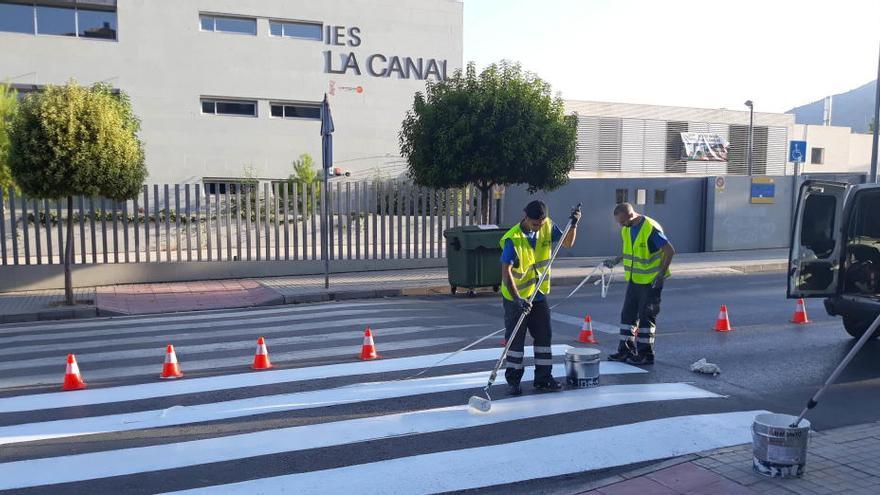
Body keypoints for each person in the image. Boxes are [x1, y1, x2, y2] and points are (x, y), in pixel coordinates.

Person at [499, 200, 580, 395]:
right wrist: (518, 299)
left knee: (544, 337)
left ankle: (543, 379)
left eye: (541, 223)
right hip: (516, 297)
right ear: (525, 217)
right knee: (516, 341)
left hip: (539, 294)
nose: (538, 226)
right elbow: (506, 273)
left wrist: (574, 224)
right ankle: (513, 381)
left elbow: (567, 242)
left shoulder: (547, 226)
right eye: (535, 223)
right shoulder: (513, 238)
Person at [603, 203, 675, 365]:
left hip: (651, 281)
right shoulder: (626, 229)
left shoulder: (650, 228)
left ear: (631, 216)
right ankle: (625, 351)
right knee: (627, 315)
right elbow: (632, 251)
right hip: (635, 279)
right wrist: (617, 260)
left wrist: (661, 274)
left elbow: (669, 250)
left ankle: (645, 354)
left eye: (622, 222)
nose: (620, 225)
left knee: (645, 317)